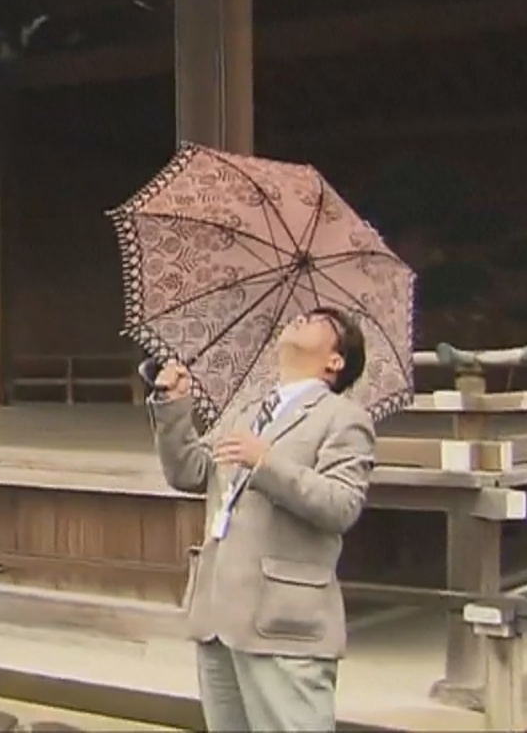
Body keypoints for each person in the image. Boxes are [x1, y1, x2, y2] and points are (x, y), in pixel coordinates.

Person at [149, 308, 377, 733]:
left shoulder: (343, 418)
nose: (301, 317)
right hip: (217, 612)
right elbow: (190, 472)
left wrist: (265, 462)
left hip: (284, 622)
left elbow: (342, 504)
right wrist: (173, 406)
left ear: (335, 360)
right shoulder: (249, 410)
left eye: (319, 319)